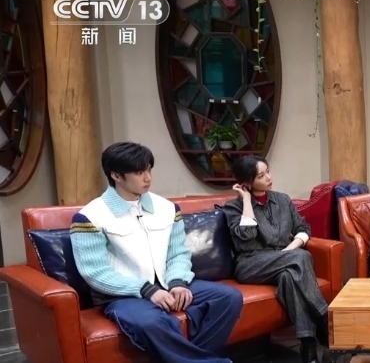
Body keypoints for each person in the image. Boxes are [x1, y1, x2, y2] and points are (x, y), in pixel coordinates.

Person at [70, 142, 243, 363]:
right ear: (116, 175)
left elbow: (178, 253)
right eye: (139, 172)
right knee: (150, 321)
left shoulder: (167, 209)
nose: (147, 178)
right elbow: (95, 272)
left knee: (228, 298)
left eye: (149, 170)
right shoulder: (89, 217)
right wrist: (146, 290)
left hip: (168, 283)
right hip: (125, 295)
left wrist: (178, 282)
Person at [222, 155, 329, 363]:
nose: (268, 178)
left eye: (268, 172)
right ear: (247, 183)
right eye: (261, 176)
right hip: (251, 264)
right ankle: (324, 319)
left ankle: (308, 344)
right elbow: (246, 236)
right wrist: (246, 201)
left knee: (289, 276)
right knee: (301, 257)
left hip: (285, 258)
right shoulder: (233, 208)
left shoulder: (283, 200)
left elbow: (303, 227)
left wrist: (288, 251)